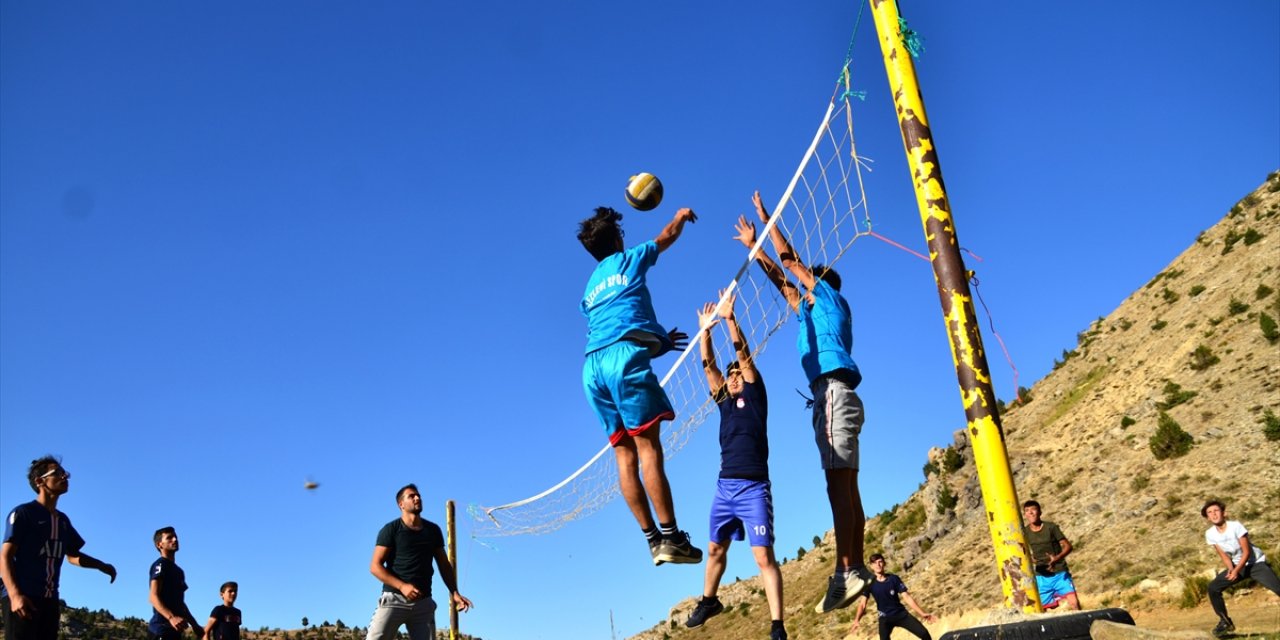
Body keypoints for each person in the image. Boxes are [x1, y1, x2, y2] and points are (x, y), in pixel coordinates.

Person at [737, 191, 869, 612]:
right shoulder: (810, 311)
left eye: (807, 283)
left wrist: (766, 219)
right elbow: (782, 281)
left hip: (833, 394)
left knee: (838, 489)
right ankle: (857, 568)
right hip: (836, 395)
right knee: (847, 488)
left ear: (820, 284)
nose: (800, 288)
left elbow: (791, 262)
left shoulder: (829, 298)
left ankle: (845, 572)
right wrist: (754, 249)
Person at [578, 205, 703, 566]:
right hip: (622, 358)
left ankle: (653, 542)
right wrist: (680, 216)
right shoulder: (629, 258)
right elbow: (666, 237)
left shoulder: (589, 288)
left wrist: (658, 341)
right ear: (617, 239)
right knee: (649, 448)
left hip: (592, 368)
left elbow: (615, 319)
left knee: (624, 454)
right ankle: (672, 537)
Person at [684, 290, 787, 640]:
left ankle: (777, 626)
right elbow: (709, 368)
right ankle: (709, 601)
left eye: (737, 374)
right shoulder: (724, 403)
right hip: (724, 487)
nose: (733, 377)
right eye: (730, 376)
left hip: (754, 487)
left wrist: (729, 319)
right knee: (715, 548)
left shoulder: (756, 396)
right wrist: (705, 332)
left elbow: (743, 357)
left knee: (762, 557)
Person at [0, 456, 116, 640]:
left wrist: (100, 565)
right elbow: (5, 557)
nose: (64, 477)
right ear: (40, 482)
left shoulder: (62, 521)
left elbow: (72, 555)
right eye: (58, 473)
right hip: (24, 597)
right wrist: (15, 595)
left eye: (65, 473)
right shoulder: (23, 513)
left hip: (49, 601)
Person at [365, 483, 472, 640]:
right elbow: (375, 566)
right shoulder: (391, 530)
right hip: (394, 599)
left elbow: (443, 563)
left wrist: (454, 592)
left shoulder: (433, 530)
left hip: (423, 603)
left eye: (418, 495)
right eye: (411, 496)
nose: (417, 498)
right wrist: (402, 586)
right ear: (401, 504)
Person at [1201, 499, 1280, 637]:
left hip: (1256, 563)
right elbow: (1224, 555)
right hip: (1238, 565)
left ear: (1223, 513)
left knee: (1278, 588)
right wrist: (1231, 570)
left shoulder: (1235, 526)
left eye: (1216, 511)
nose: (1214, 514)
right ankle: (1225, 622)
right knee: (1213, 588)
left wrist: (1236, 570)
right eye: (1210, 513)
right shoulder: (1210, 534)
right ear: (1207, 518)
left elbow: (1247, 551)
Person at [850, 553, 936, 640]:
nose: (878, 565)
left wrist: (922, 613)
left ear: (884, 563)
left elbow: (907, 597)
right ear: (871, 566)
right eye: (875, 563)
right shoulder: (869, 583)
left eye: (880, 562)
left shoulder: (894, 579)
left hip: (900, 614)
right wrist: (857, 620)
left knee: (924, 633)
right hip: (885, 618)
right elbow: (862, 604)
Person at [1021, 500, 1079, 610]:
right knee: (1041, 610)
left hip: (1059, 572)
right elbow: (1022, 550)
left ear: (1040, 512)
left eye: (1033, 509)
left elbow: (1068, 546)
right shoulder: (1025, 532)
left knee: (1074, 603)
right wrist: (1030, 559)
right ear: (1025, 515)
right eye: (1027, 511)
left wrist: (1057, 558)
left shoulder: (1051, 527)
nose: (1031, 513)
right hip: (1041, 575)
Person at [149, 526, 203, 639]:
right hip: (161, 629)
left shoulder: (179, 572)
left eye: (175, 537)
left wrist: (195, 625)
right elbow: (153, 596)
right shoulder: (160, 565)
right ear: (160, 545)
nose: (175, 540)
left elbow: (180, 603)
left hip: (175, 631)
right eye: (169, 538)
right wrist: (171, 617)